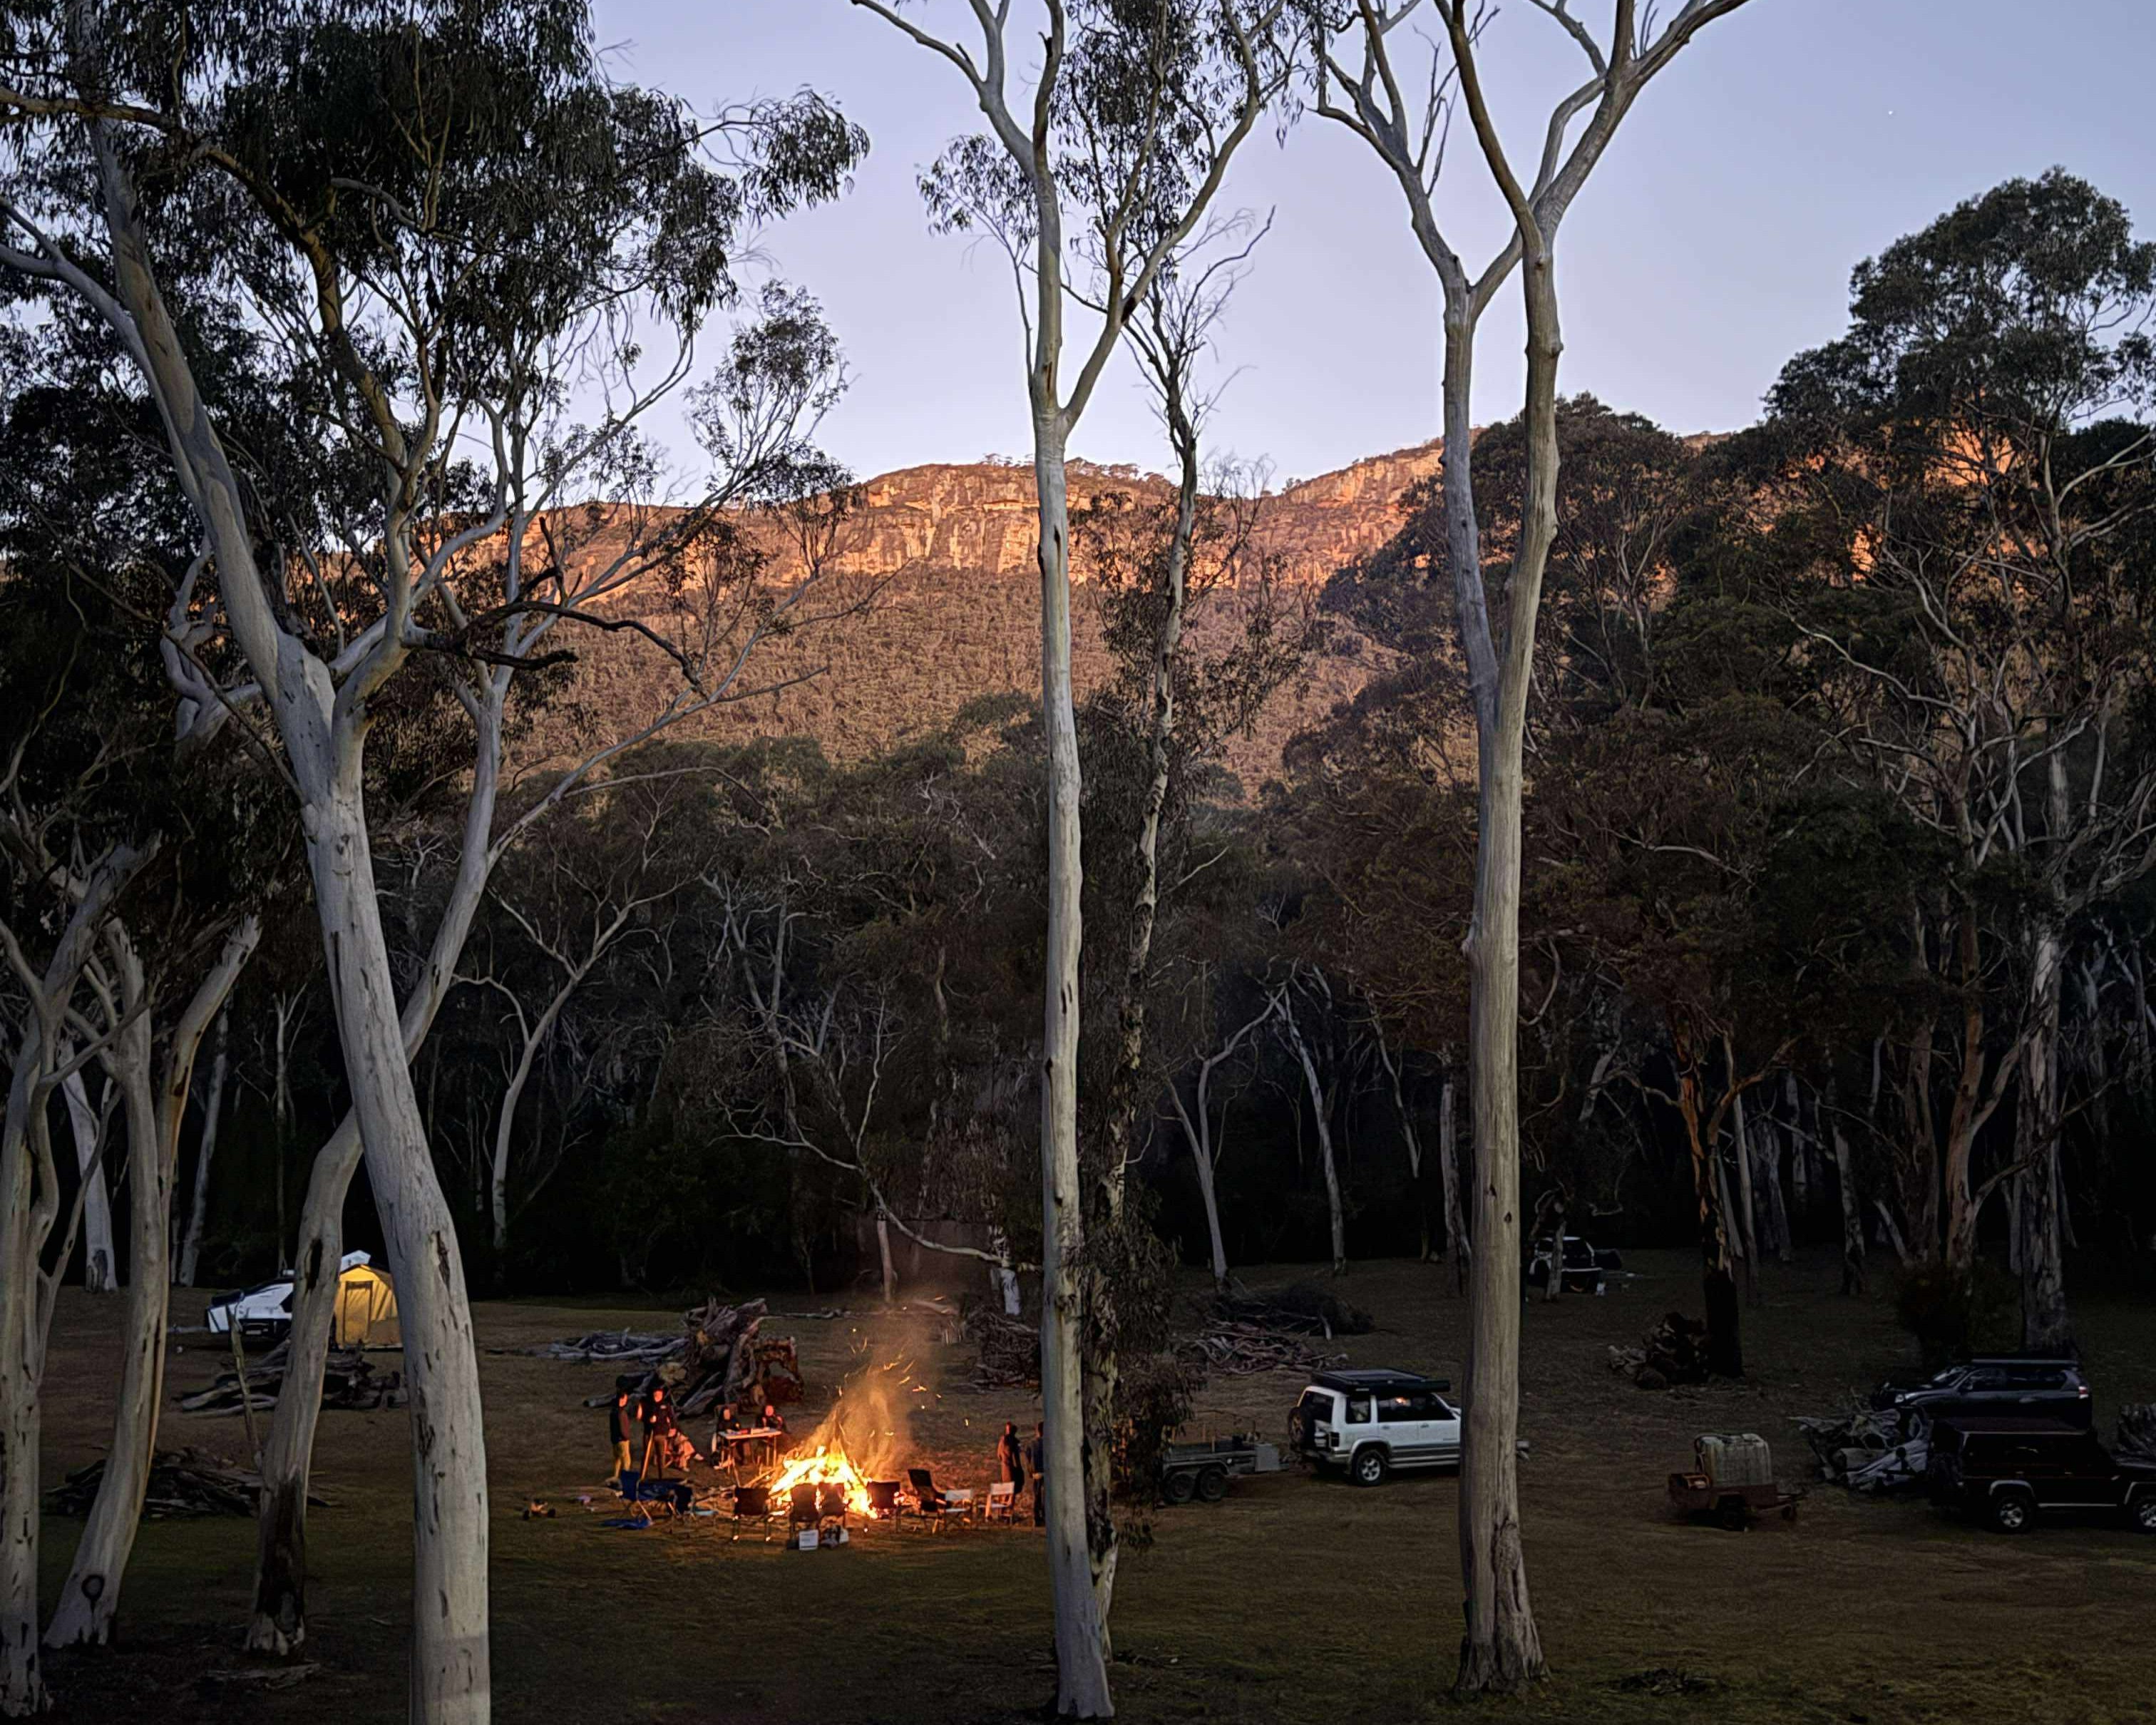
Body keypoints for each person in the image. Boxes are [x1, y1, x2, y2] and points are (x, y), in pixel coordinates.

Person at [607, 1386, 636, 1483]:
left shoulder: (613, 1411)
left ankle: (615, 1476)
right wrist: (626, 1437)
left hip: (615, 1439)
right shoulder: (621, 1413)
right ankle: (625, 1479)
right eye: (625, 1399)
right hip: (622, 1440)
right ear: (622, 1399)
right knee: (626, 1460)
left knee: (617, 1459)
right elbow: (623, 1427)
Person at [1025, 1421, 1046, 1526]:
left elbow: (1028, 1459)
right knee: (1046, 1497)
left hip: (1036, 1473)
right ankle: (1045, 1517)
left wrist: (1031, 1472)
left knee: (1037, 1496)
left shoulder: (1031, 1444)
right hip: (1046, 1473)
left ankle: (1036, 1518)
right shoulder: (1048, 1443)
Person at [997, 1421, 1025, 1493]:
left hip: (1004, 1469)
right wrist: (1020, 1470)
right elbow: (1017, 1459)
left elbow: (999, 1456)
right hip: (1011, 1470)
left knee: (1007, 1490)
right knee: (1013, 1490)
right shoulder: (1014, 1441)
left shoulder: (1002, 1441)